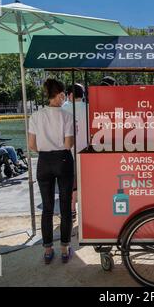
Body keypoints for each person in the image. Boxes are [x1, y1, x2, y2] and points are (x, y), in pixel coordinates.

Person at [28, 78, 75, 264]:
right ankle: (64, 248)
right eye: (63, 94)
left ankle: (48, 249)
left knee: (47, 207)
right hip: (63, 159)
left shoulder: (36, 116)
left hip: (44, 161)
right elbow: (68, 143)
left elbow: (32, 145)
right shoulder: (66, 116)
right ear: (60, 94)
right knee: (65, 206)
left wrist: (46, 151)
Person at [62, 83, 89, 220]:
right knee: (86, 183)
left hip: (69, 151)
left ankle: (72, 210)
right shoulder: (89, 108)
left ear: (70, 95)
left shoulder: (64, 108)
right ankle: (87, 212)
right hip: (87, 152)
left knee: (70, 183)